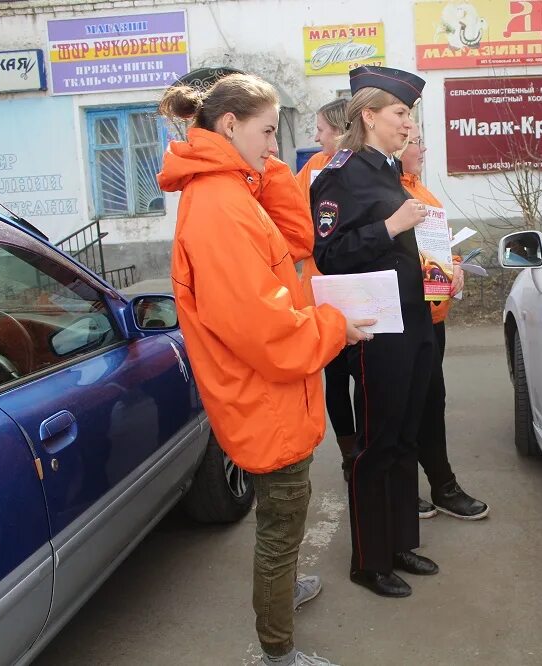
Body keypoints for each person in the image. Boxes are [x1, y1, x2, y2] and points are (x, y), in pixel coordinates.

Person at [157, 73, 373, 666]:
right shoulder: (220, 208)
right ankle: (278, 650)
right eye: (268, 131)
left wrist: (264, 168)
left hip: (274, 395)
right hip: (265, 397)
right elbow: (265, 330)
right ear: (229, 125)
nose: (277, 145)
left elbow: (297, 238)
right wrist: (334, 328)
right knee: (280, 525)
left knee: (287, 516)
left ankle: (281, 596)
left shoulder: (233, 190)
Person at [311, 65, 437, 598]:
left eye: (409, 114)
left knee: (407, 436)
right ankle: (369, 558)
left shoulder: (388, 171)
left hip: (414, 321)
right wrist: (391, 226)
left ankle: (399, 541)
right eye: (401, 113)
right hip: (377, 329)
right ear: (369, 115)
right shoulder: (340, 175)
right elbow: (330, 254)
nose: (409, 123)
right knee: (376, 444)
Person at [396, 123, 489, 521]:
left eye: (420, 139)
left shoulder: (421, 190)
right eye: (415, 141)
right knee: (405, 409)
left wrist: (454, 269)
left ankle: (441, 486)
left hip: (433, 316)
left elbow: (436, 250)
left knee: (432, 403)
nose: (422, 148)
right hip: (402, 319)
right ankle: (407, 489)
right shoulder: (388, 192)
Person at [296, 99, 358, 481]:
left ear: (339, 129)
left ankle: (369, 454)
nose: (316, 136)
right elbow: (294, 221)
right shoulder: (314, 168)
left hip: (362, 292)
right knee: (335, 379)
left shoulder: (366, 166)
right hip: (323, 294)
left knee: (366, 382)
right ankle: (351, 455)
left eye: (321, 129)